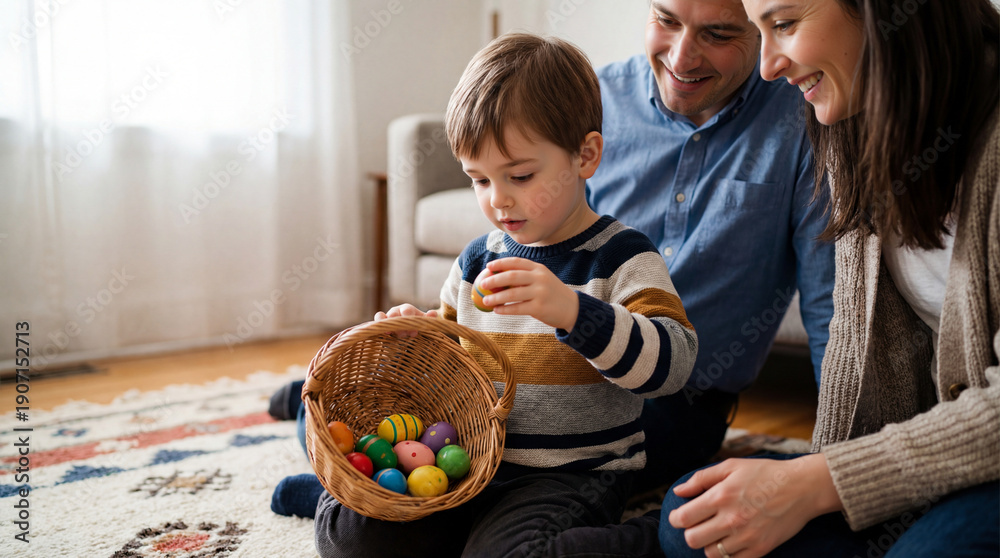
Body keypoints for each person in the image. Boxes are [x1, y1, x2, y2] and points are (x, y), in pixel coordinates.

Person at [271, 32, 699, 557]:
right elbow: (454, 361)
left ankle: (654, 535)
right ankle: (333, 490)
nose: (498, 200)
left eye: (520, 175)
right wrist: (418, 337)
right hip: (469, 463)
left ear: (585, 156)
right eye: (478, 179)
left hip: (571, 477)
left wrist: (574, 311)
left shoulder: (622, 257)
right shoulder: (479, 259)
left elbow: (674, 363)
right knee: (349, 543)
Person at [660, 0, 1000, 556]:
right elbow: (852, 335)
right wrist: (812, 485)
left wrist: (824, 483)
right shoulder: (852, 123)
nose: (768, 65)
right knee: (691, 516)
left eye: (785, 25)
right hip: (939, 458)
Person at [587, 0, 837, 493]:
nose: (681, 59)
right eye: (666, 21)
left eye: (719, 35)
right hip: (561, 366)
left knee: (551, 480)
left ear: (766, 32)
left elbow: (831, 307)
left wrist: (837, 470)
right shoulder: (593, 100)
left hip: (682, 402)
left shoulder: (808, 120)